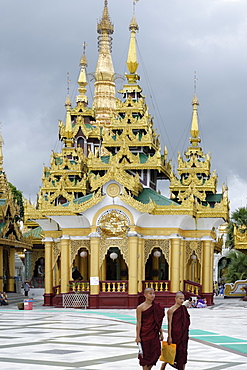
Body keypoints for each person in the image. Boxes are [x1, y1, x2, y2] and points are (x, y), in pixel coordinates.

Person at [136, 287, 165, 370]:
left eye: (153, 293)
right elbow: (139, 323)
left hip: (154, 333)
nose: (152, 295)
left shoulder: (157, 307)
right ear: (145, 295)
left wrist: (161, 333)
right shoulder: (140, 308)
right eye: (150, 293)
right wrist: (137, 336)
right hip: (144, 334)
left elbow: (158, 321)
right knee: (145, 355)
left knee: (156, 353)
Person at [160, 291, 190, 370]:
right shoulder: (171, 310)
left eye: (183, 299)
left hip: (183, 335)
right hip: (175, 334)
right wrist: (169, 336)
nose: (182, 301)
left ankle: (182, 368)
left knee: (183, 354)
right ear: (175, 299)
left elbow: (187, 321)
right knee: (172, 353)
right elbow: (170, 324)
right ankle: (164, 364)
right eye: (180, 299)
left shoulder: (184, 309)